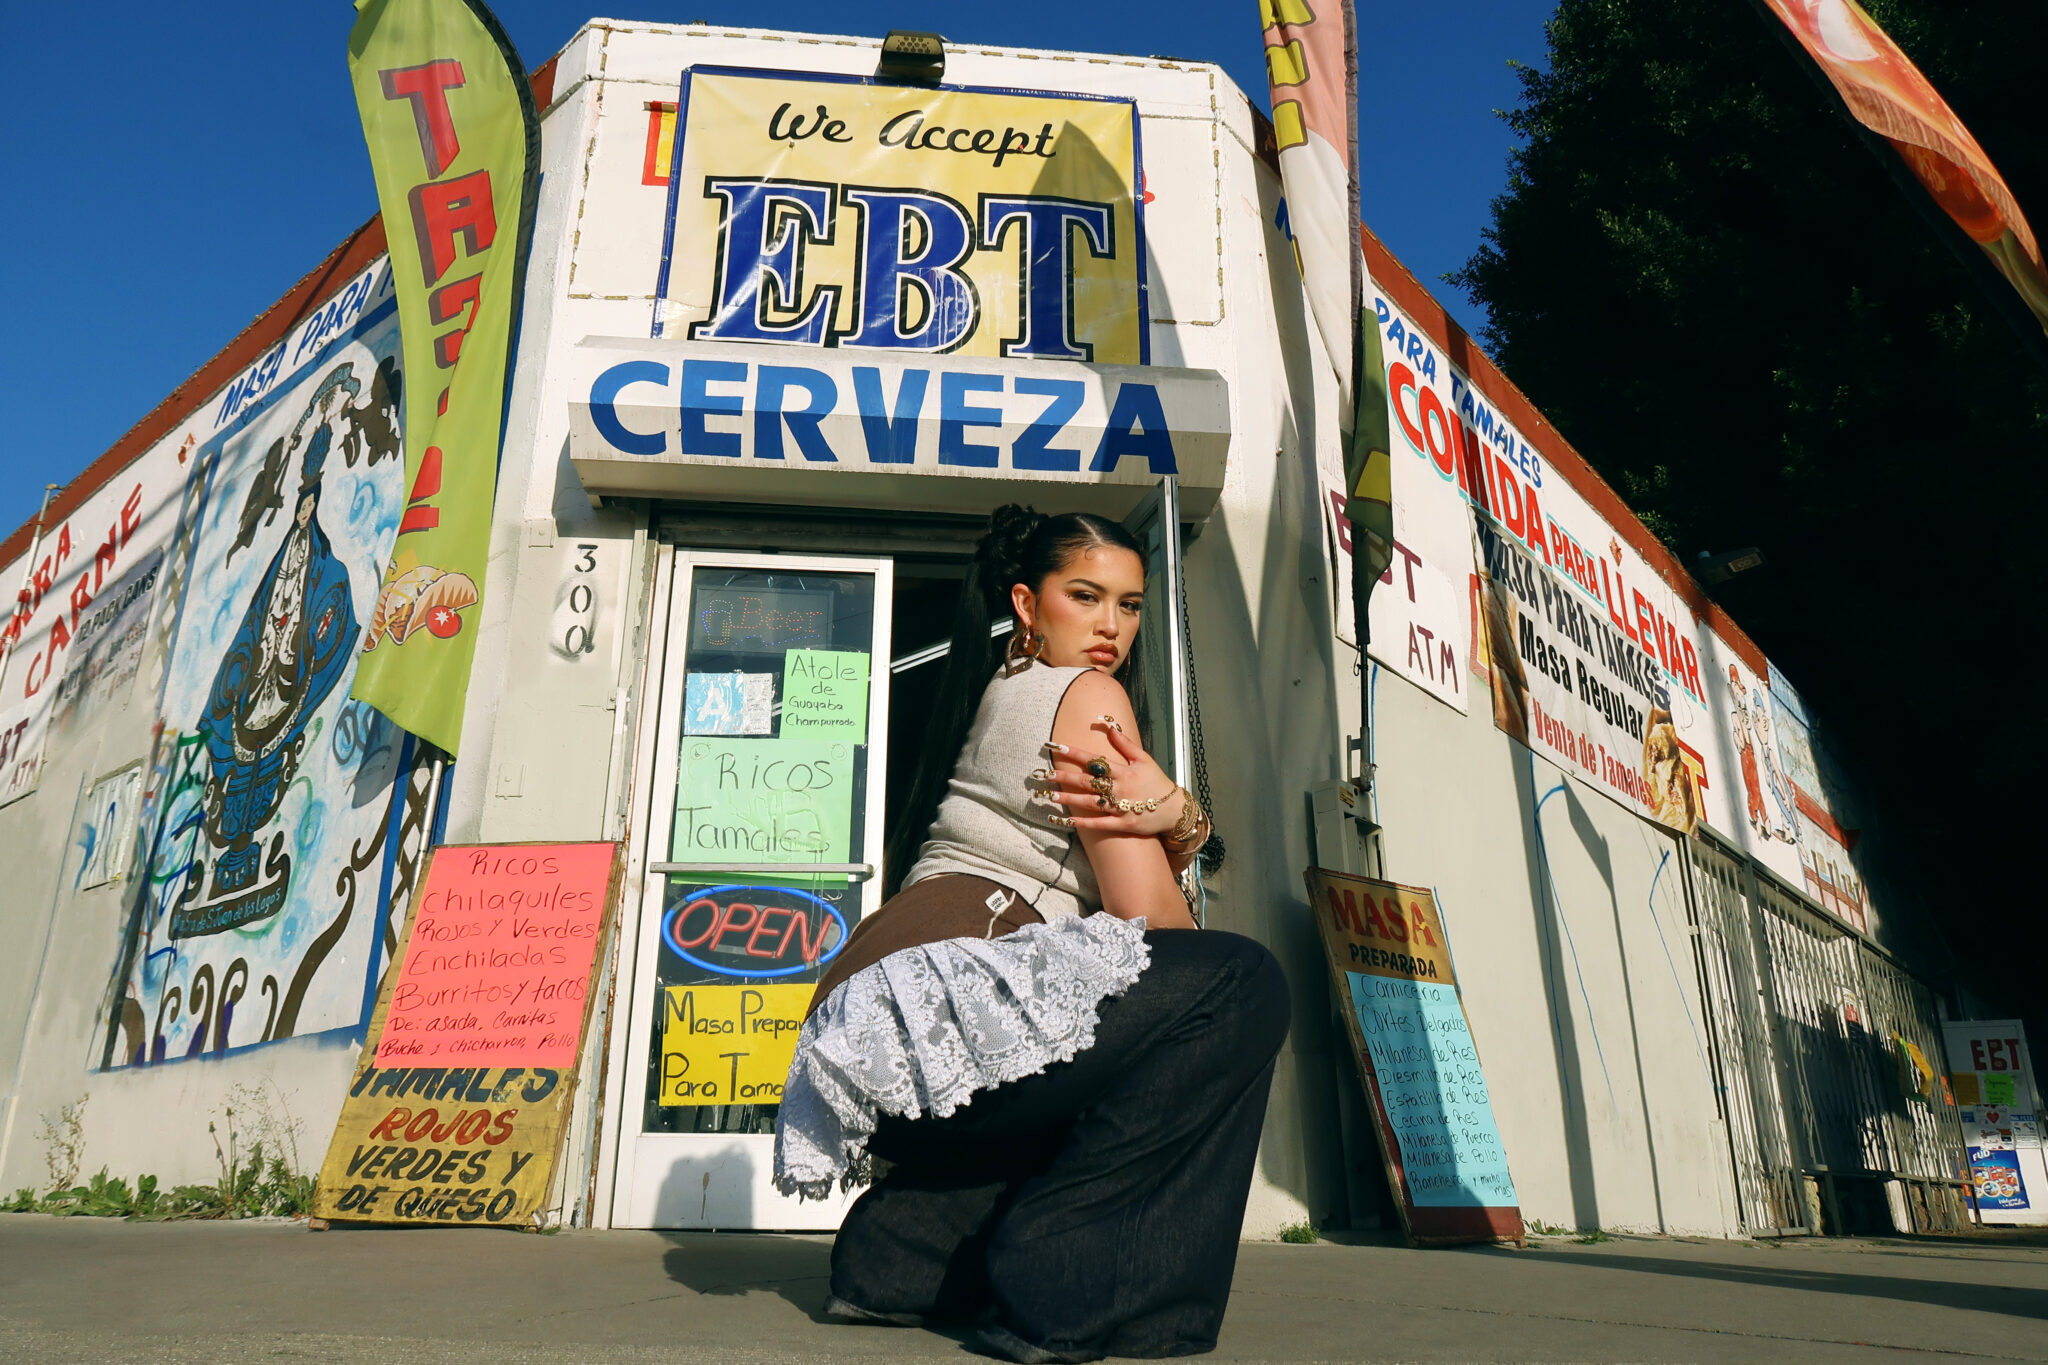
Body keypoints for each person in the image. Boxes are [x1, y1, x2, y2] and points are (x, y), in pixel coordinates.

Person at [774, 505, 1290, 1363]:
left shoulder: (1003, 689)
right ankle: (1063, 1275)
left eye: (1130, 604)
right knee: (1240, 983)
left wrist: (1180, 819)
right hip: (952, 1004)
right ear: (1027, 601)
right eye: (1084, 595)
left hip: (874, 1020)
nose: (1110, 625)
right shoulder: (1090, 697)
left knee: (1094, 1030)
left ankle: (902, 1257)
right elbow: (1157, 925)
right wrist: (1178, 813)